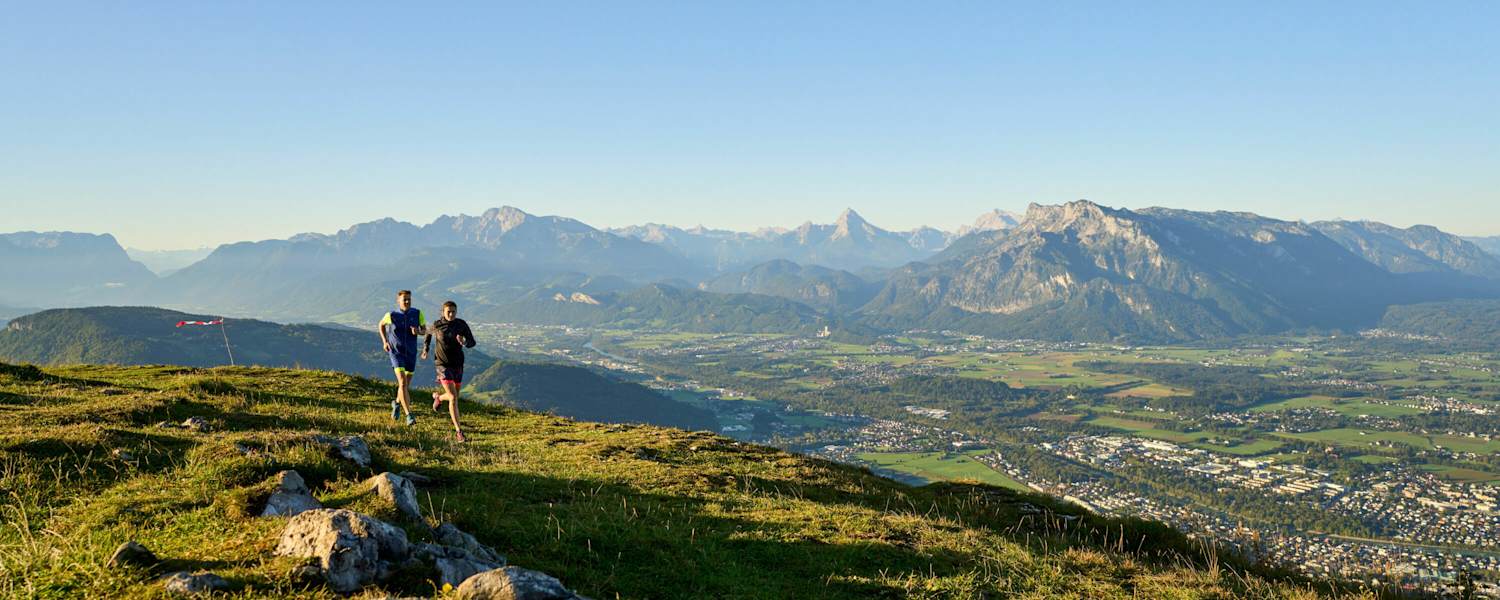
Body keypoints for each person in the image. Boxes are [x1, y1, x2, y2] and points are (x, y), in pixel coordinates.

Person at [423, 300, 476, 442]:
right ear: (443, 312)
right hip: (442, 365)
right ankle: (459, 432)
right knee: (453, 398)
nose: (451, 314)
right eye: (448, 312)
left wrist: (464, 341)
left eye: (453, 312)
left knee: (454, 396)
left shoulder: (461, 324)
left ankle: (438, 398)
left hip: (458, 364)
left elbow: (472, 342)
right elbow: (428, 333)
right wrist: (426, 348)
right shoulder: (437, 324)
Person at [377, 290, 425, 426]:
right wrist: (385, 341)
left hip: (411, 353)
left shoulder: (417, 313)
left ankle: (397, 403)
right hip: (396, 352)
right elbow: (380, 325)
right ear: (398, 301)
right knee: (403, 383)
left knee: (405, 385)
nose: (407, 302)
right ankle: (409, 415)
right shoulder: (391, 315)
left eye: (409, 299)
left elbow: (424, 329)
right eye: (404, 299)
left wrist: (418, 332)